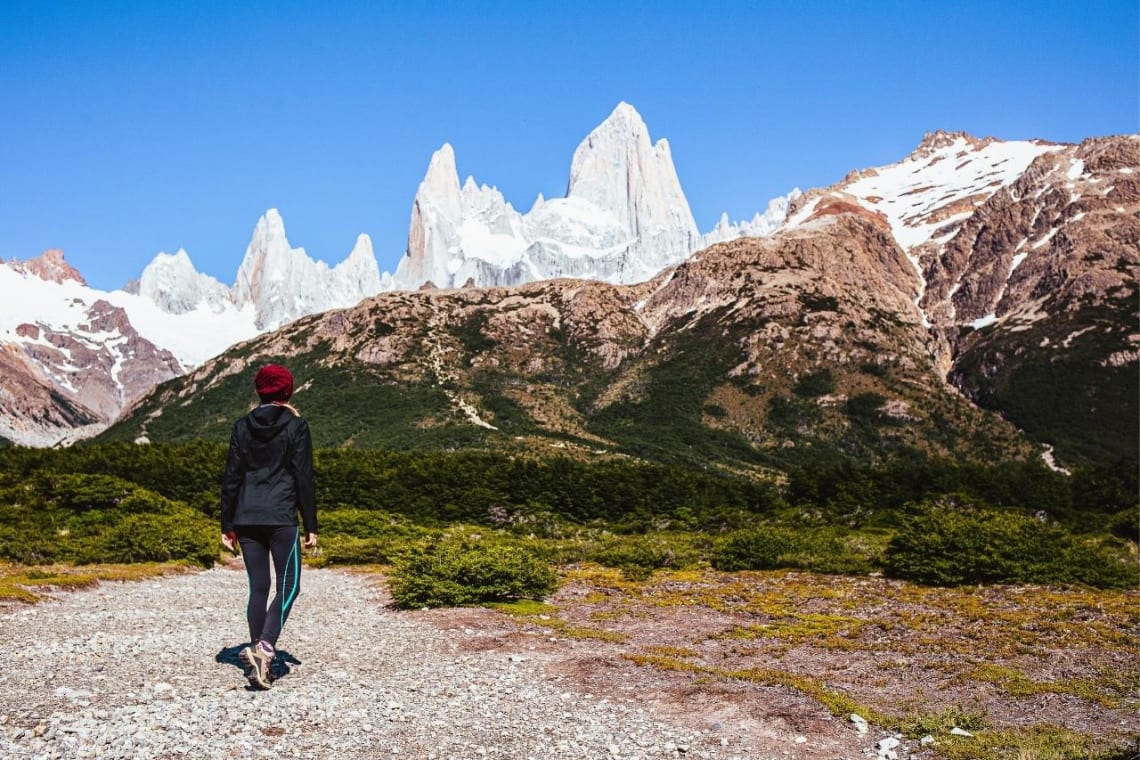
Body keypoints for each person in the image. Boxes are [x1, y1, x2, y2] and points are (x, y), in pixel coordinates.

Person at [220, 363, 318, 689]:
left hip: (246, 518)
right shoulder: (297, 426)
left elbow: (232, 476)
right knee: (289, 587)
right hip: (281, 519)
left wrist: (227, 522)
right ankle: (264, 648)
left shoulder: (241, 426)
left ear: (259, 391)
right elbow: (303, 478)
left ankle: (259, 657)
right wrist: (311, 524)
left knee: (259, 588)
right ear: (287, 391)